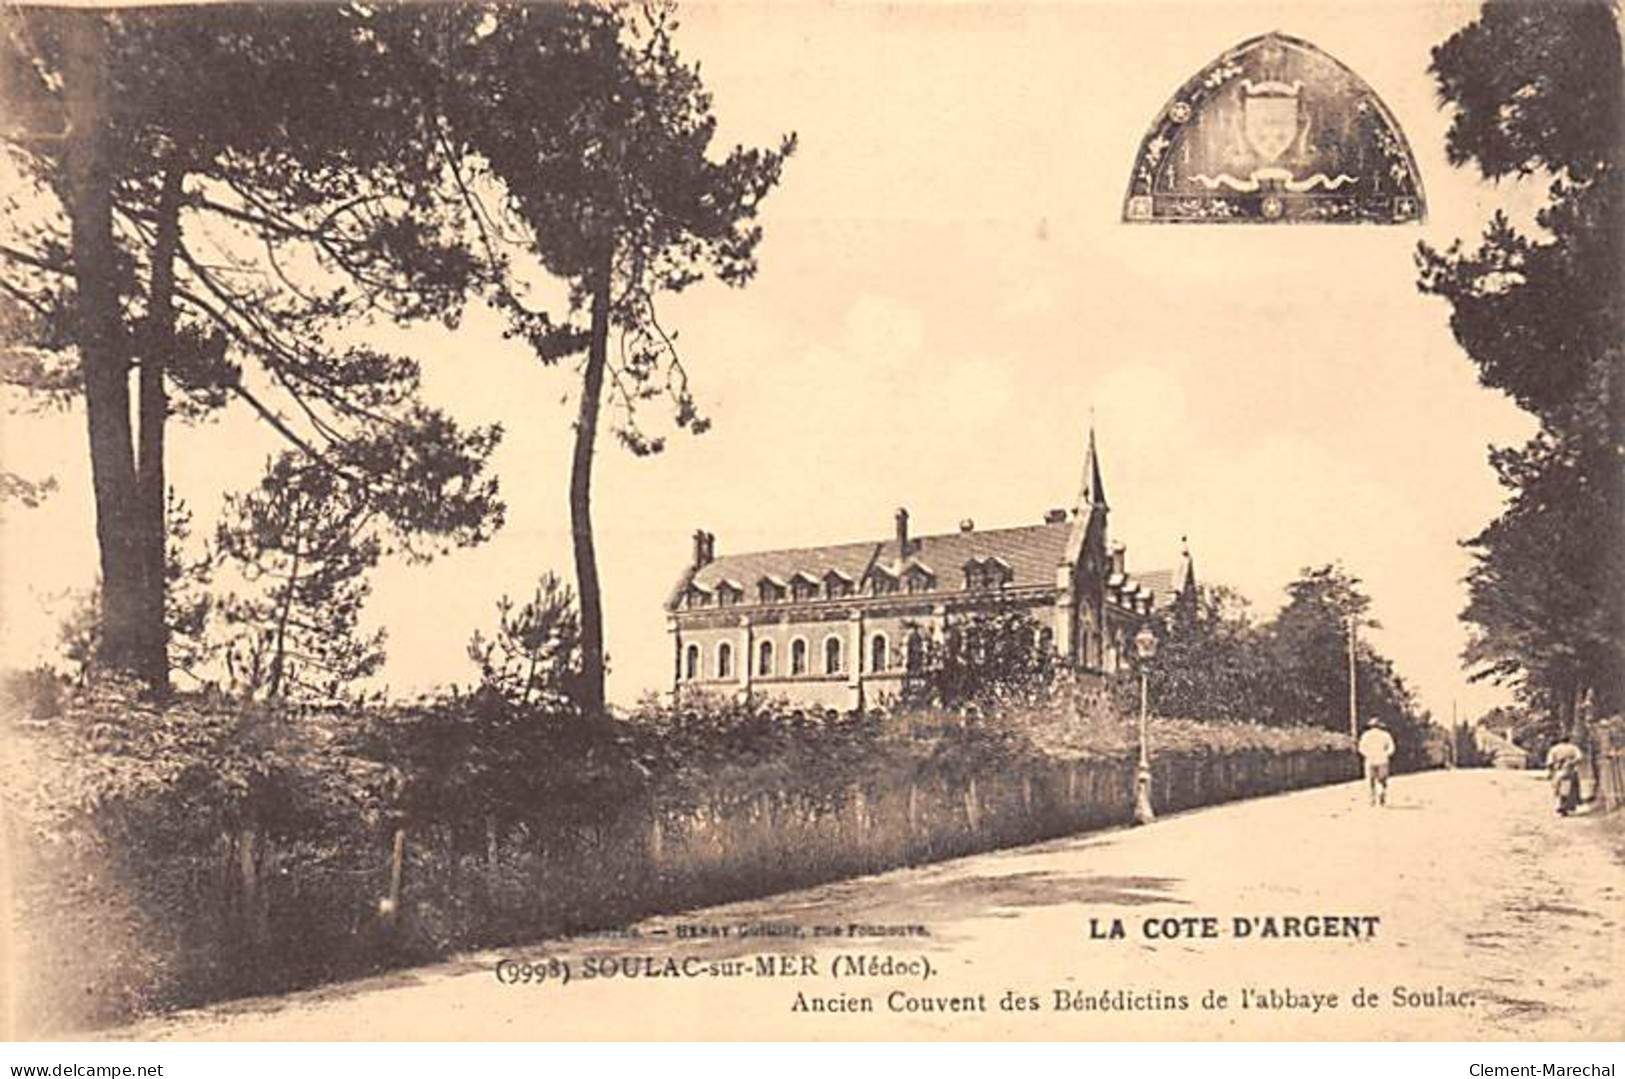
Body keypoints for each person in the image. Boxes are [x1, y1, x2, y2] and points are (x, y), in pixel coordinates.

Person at [1357, 716, 1396, 807]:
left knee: (1370, 780)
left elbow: (1361, 748)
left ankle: (1372, 799)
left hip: (1370, 759)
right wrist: (1386, 754)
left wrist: (1367, 754)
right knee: (1382, 780)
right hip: (1382, 760)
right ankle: (1381, 793)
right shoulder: (1385, 735)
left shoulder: (1366, 735)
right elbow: (1391, 748)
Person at [1546, 735, 1585, 817]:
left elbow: (1549, 762)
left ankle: (1560, 805)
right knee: (1573, 788)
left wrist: (1550, 771)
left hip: (1558, 771)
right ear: (1569, 740)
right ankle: (1572, 804)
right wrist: (1572, 762)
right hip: (1570, 770)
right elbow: (1580, 757)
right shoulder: (1573, 748)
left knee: (1557, 788)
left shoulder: (1554, 749)